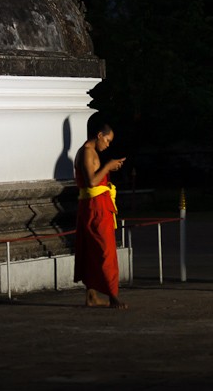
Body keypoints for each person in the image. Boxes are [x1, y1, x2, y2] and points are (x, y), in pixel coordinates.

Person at [73, 121, 128, 308]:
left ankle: (92, 296)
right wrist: (108, 166)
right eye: (107, 140)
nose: (108, 144)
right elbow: (91, 182)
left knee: (93, 250)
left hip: (95, 205)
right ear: (99, 135)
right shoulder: (88, 152)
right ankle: (113, 296)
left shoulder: (91, 152)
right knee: (105, 251)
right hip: (95, 207)